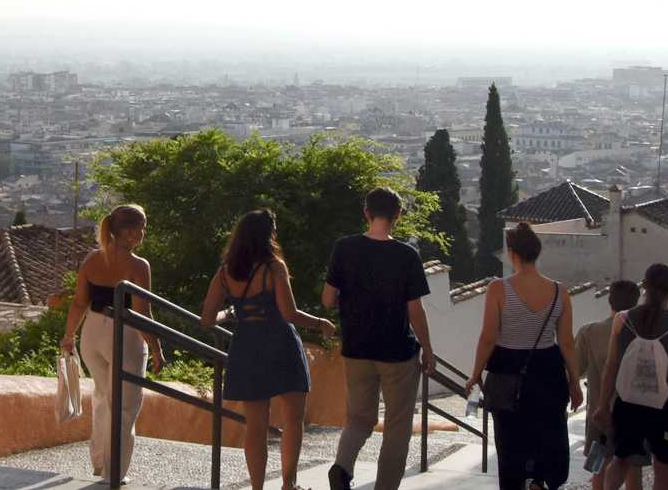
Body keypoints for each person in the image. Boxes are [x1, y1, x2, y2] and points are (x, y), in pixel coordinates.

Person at [199, 210, 337, 490]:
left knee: (255, 426)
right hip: (280, 344)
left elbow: (207, 319)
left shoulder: (226, 271)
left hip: (246, 346)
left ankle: (258, 488)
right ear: (268, 234)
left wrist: (234, 311)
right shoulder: (274, 267)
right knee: (293, 419)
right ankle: (288, 484)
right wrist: (321, 323)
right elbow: (289, 313)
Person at [322, 188, 436, 490]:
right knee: (397, 428)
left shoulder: (344, 248)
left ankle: (341, 467)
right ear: (398, 215)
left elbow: (327, 299)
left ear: (366, 213)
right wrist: (428, 350)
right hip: (397, 352)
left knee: (359, 418)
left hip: (356, 348)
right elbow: (415, 310)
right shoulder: (406, 256)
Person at [462, 223, 583, 490]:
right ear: (536, 253)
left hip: (507, 372)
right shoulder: (559, 292)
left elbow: (488, 336)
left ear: (512, 253)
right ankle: (538, 480)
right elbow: (566, 342)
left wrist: (475, 374)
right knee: (545, 435)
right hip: (548, 372)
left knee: (510, 444)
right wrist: (574, 381)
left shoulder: (498, 289)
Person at [59, 204, 164, 485]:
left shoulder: (92, 260)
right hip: (125, 335)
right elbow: (143, 314)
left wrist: (69, 335)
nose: (144, 232)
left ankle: (99, 462)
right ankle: (113, 472)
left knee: (104, 396)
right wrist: (156, 349)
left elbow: (80, 301)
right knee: (125, 407)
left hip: (91, 333)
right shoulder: (139, 266)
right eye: (142, 227)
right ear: (129, 233)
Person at [594, 264, 668, 490]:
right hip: (665, 408)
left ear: (644, 287)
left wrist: (603, 405)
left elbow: (611, 366)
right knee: (663, 469)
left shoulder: (622, 320)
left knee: (621, 460)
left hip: (627, 406)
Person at [577, 280, 642, 489]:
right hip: (635, 414)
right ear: (636, 302)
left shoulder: (589, 332)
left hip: (600, 415)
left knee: (597, 469)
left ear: (609, 300)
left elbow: (574, 370)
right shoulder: (646, 334)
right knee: (634, 471)